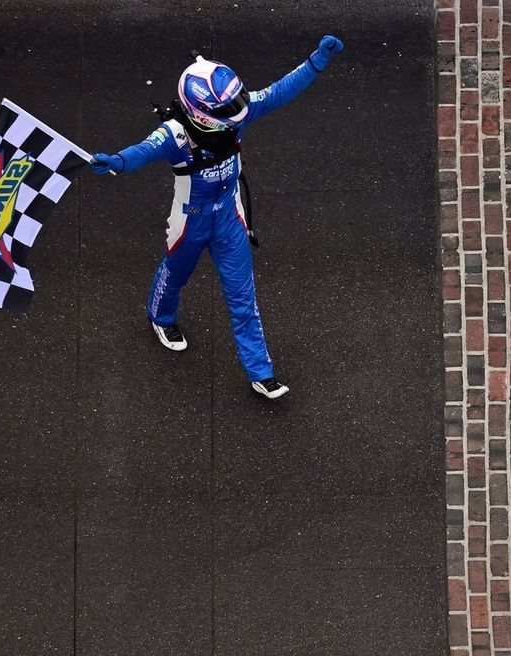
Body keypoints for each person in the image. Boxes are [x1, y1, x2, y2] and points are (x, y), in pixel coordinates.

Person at [91, 35, 344, 399]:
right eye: (230, 108)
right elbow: (141, 153)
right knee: (174, 275)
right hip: (189, 222)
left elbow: (278, 93)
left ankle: (261, 372)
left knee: (243, 298)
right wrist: (115, 162)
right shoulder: (173, 136)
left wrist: (316, 61)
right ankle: (159, 317)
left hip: (229, 218)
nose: (241, 110)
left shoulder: (234, 111)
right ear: (200, 111)